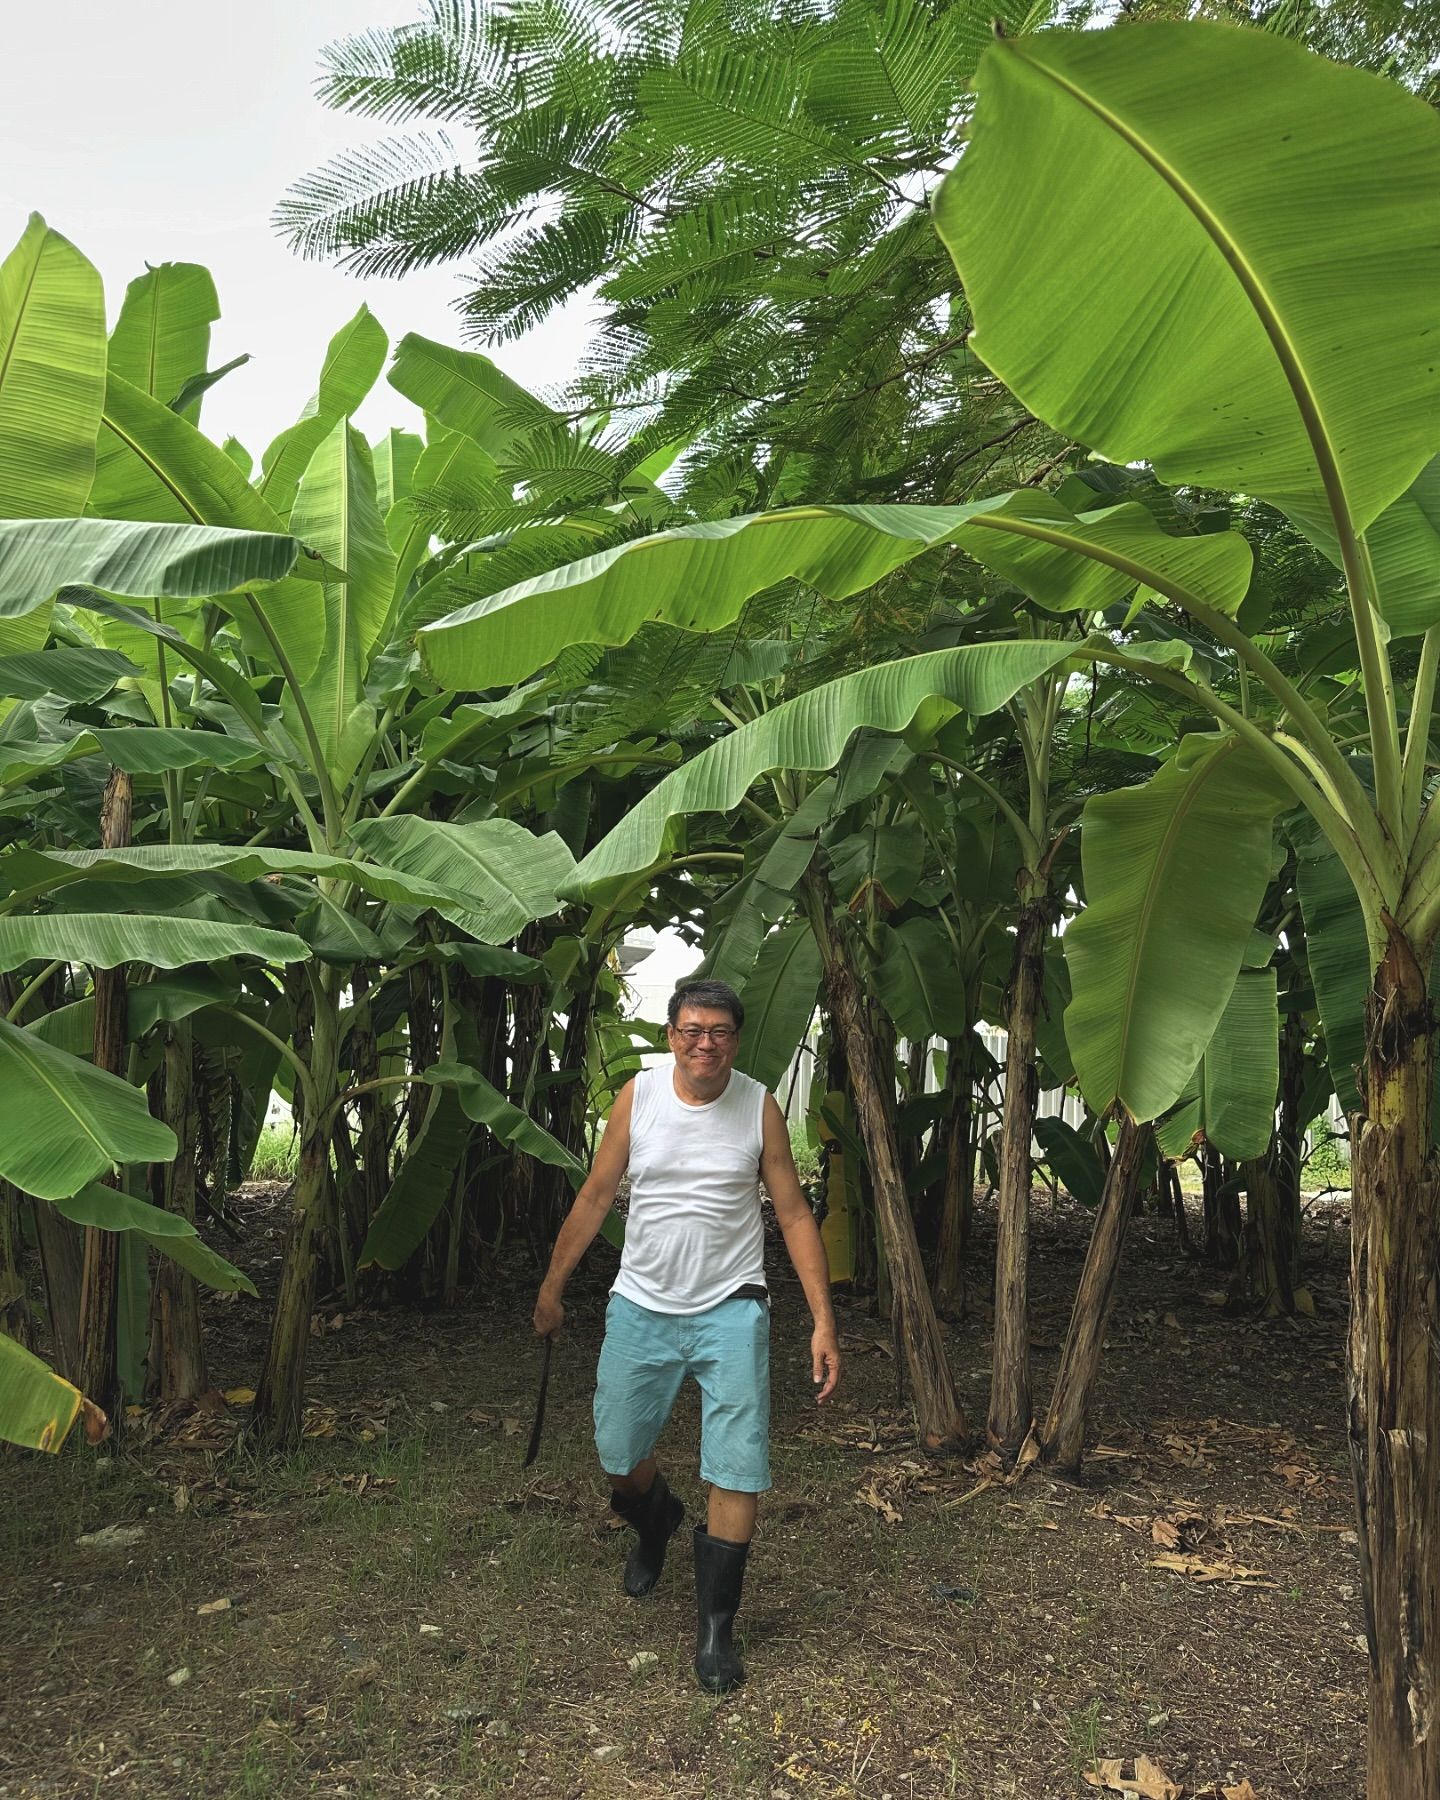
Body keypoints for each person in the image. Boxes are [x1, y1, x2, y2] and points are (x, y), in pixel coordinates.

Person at [532, 976, 842, 1694]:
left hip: (732, 1307)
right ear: (672, 1034)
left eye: (720, 1032)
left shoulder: (757, 1106)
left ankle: (715, 1629)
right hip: (641, 1303)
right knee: (617, 1448)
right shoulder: (637, 1099)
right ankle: (656, 1518)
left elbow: (794, 1213)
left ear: (736, 1038)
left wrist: (823, 1319)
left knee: (736, 1465)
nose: (705, 1043)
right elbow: (596, 1195)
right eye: (691, 1030)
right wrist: (551, 1288)